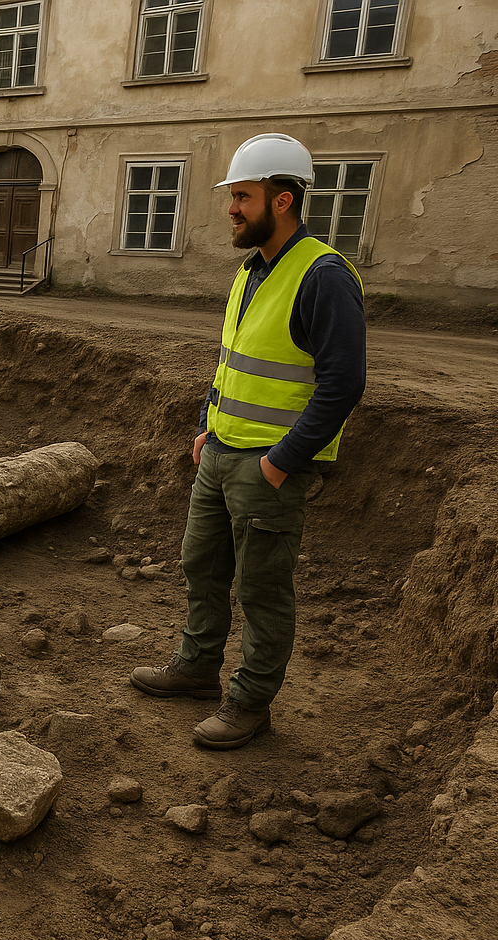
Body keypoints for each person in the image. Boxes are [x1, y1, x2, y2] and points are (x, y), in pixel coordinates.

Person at [129, 133, 367, 750]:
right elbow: (235, 359)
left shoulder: (323, 276)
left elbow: (344, 384)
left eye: (242, 197)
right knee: (201, 566)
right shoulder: (253, 269)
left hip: (268, 466)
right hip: (222, 452)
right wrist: (210, 420)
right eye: (232, 197)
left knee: (261, 589)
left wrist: (281, 465)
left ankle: (250, 703)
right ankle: (198, 669)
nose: (231, 209)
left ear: (281, 200)